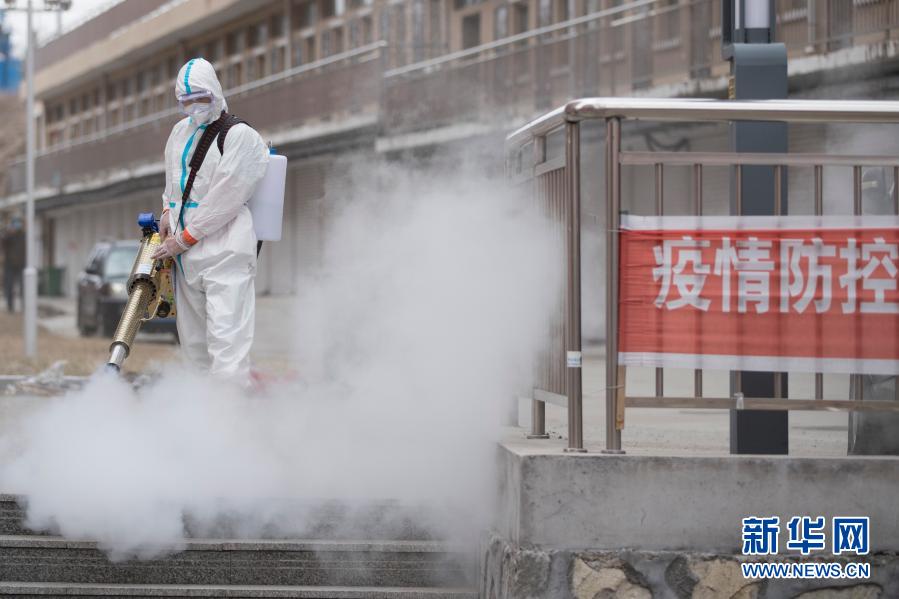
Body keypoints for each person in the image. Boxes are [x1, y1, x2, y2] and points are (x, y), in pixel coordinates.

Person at [152, 58, 269, 383]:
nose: (193, 106)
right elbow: (173, 184)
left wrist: (185, 237)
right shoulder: (179, 133)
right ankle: (202, 410)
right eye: (185, 101)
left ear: (215, 92)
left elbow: (225, 198)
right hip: (186, 258)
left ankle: (230, 410)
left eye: (200, 98)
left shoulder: (239, 136)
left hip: (225, 253)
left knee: (227, 346)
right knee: (194, 348)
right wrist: (167, 212)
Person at [1, 216, 25, 313]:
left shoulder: (24, 235)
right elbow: (2, 243)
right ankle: (10, 307)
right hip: (9, 264)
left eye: (18, 223)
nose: (17, 226)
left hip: (22, 263)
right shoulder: (8, 235)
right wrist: (8, 233)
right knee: (9, 286)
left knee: (24, 286)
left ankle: (25, 306)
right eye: (15, 224)